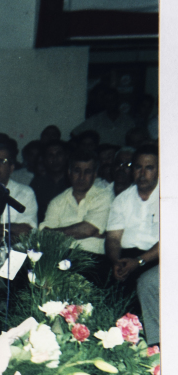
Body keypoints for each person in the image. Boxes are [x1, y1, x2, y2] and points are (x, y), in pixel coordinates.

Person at [105, 145, 160, 346]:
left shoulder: (169, 195)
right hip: (127, 256)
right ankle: (122, 348)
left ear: (159, 169)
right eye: (138, 167)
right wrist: (115, 261)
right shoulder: (122, 199)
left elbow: (169, 241)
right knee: (111, 282)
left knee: (143, 282)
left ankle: (154, 346)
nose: (142, 173)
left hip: (157, 257)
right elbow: (112, 238)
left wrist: (139, 261)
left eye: (149, 167)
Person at [40, 148, 113, 259]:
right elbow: (44, 235)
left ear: (95, 175)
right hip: (62, 258)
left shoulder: (104, 196)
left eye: (87, 172)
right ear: (69, 172)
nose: (81, 177)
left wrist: (55, 232)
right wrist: (86, 231)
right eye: (77, 170)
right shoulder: (57, 202)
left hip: (94, 259)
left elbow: (87, 230)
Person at [0, 142, 38, 240]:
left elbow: (27, 230)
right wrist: (8, 228)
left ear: (11, 168)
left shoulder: (25, 193)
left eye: (2, 161)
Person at [31, 140, 70, 223]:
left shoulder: (74, 182)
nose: (55, 159)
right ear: (45, 159)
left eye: (59, 154)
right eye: (50, 155)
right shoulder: (37, 183)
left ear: (66, 156)